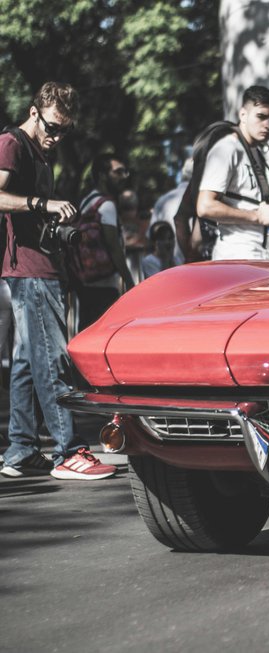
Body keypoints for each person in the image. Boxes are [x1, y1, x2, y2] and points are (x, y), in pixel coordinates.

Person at [0, 81, 116, 480]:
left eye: (64, 130)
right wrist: (41, 204)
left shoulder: (37, 151)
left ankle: (20, 449)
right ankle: (68, 451)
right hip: (31, 271)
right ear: (35, 113)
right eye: (52, 127)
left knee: (25, 364)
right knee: (52, 359)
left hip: (36, 268)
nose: (56, 137)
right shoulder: (13, 143)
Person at [196, 85, 269, 260]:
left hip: (260, 256)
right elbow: (205, 207)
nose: (268, 125)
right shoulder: (227, 149)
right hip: (236, 257)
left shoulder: (255, 150)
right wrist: (257, 216)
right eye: (261, 117)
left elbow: (244, 200)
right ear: (243, 115)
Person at [76, 153, 136, 330]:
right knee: (103, 333)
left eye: (125, 171)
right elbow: (113, 246)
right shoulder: (106, 205)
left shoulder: (87, 201)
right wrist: (129, 282)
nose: (124, 176)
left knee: (87, 329)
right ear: (102, 175)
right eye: (118, 172)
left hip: (85, 280)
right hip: (104, 284)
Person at [149, 156, 192, 266]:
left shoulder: (162, 200)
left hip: (168, 268)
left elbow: (151, 237)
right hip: (196, 264)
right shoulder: (202, 199)